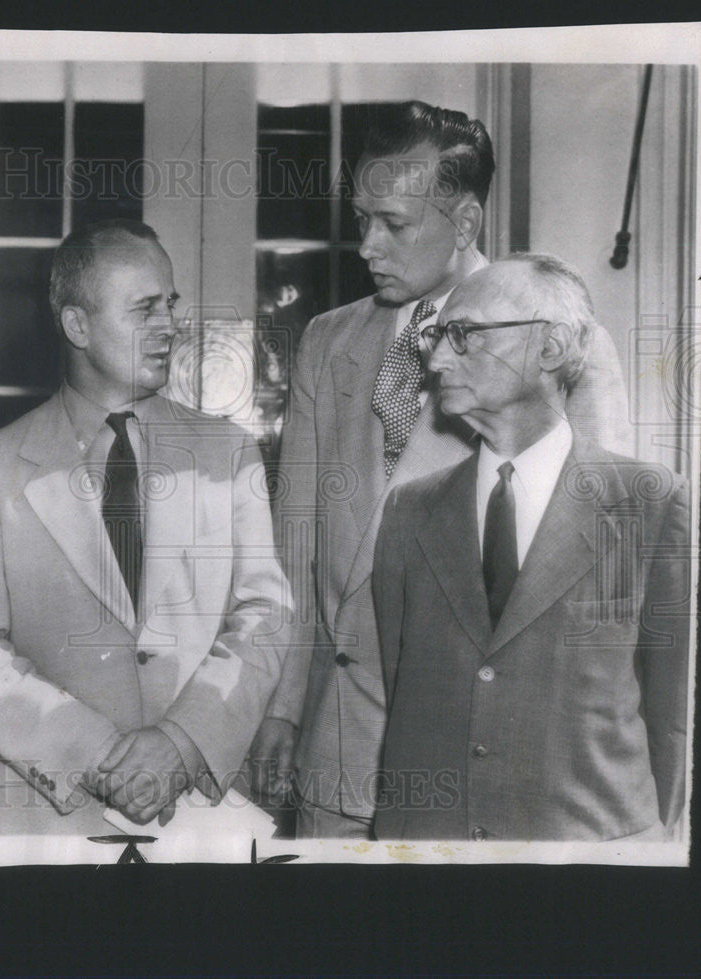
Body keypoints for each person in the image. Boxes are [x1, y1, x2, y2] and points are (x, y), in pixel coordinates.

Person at [249, 100, 634, 838]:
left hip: (485, 761)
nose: (367, 244)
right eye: (361, 217)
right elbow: (293, 549)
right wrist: (283, 707)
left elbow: (597, 579)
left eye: (393, 223)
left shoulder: (565, 343)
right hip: (337, 756)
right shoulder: (328, 343)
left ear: (464, 223)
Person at [0, 219, 291, 835]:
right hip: (46, 814)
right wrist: (95, 756)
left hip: (202, 808)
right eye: (145, 308)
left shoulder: (228, 452)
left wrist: (180, 744)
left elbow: (265, 612)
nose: (170, 326)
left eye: (170, 304)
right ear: (77, 325)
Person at [371, 254, 689, 841]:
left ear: (551, 349)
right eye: (436, 338)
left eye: (462, 335)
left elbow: (674, 718)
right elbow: (403, 693)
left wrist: (650, 852)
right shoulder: (408, 510)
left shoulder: (652, 504)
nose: (437, 360)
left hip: (589, 870)